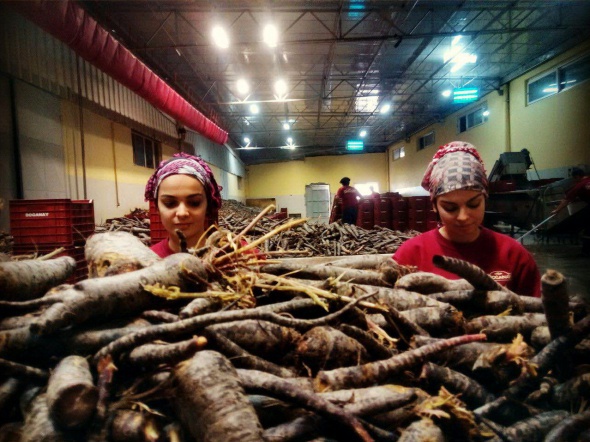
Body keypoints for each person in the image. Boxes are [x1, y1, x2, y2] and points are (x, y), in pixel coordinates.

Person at [393, 141, 541, 297]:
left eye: (474, 204)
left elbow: (535, 308)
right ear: (434, 205)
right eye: (450, 208)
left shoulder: (514, 255)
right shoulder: (410, 255)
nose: (463, 217)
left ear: (485, 199)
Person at [145, 152, 222, 258]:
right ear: (157, 207)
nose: (182, 213)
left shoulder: (240, 255)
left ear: (208, 205)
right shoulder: (148, 261)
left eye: (194, 203)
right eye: (170, 203)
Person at [551, 167, 590, 256]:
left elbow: (566, 200)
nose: (574, 181)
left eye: (574, 179)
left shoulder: (579, 186)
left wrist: (557, 210)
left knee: (588, 229)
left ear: (577, 177)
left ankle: (586, 251)